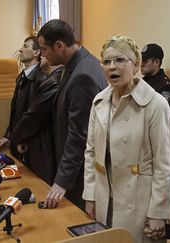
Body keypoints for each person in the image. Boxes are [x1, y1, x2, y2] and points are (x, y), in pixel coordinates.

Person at [83, 35, 170, 243]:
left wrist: (158, 213)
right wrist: (90, 194)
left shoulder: (155, 104)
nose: (112, 67)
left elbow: (164, 164)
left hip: (139, 200)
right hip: (104, 195)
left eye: (120, 60)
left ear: (136, 65)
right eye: (106, 62)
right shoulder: (99, 102)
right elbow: (90, 153)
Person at [37, 19, 107, 209]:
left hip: (80, 175)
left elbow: (79, 135)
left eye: (44, 49)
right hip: (76, 169)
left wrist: (62, 180)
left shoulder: (82, 74)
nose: (41, 54)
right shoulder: (79, 63)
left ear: (59, 46)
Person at [0, 36, 59, 185]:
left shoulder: (41, 79)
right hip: (21, 140)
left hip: (34, 145)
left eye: (25, 46)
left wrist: (17, 138)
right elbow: (17, 112)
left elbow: (34, 117)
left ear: (37, 52)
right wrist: (8, 135)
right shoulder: (21, 77)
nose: (20, 50)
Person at [141, 43, 170, 121]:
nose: (141, 64)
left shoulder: (167, 87)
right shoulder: (141, 82)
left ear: (156, 62)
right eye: (141, 60)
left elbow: (159, 116)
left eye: (145, 61)